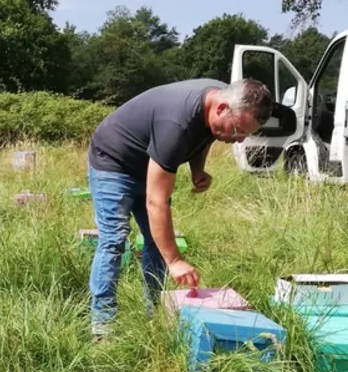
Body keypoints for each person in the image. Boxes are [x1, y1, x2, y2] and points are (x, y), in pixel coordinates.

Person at [88, 77, 273, 339]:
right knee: (114, 239)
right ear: (221, 109)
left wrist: (197, 168)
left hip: (151, 162)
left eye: (246, 134)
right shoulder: (175, 124)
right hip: (114, 160)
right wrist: (175, 261)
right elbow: (156, 201)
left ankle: (156, 312)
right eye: (237, 131)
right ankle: (103, 326)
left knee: (156, 241)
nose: (240, 139)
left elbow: (206, 134)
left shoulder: (222, 99)